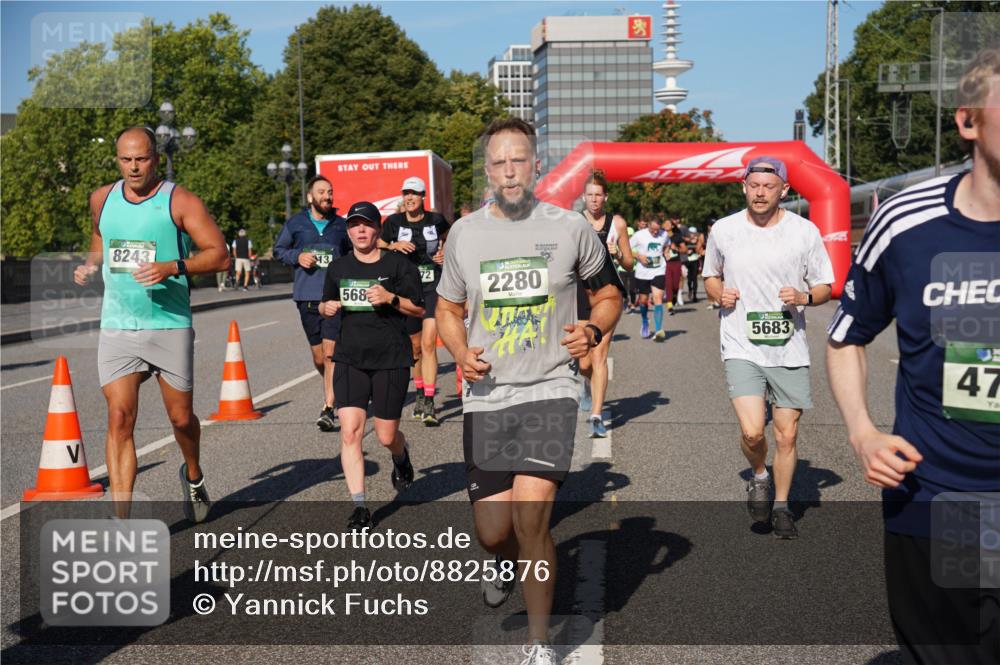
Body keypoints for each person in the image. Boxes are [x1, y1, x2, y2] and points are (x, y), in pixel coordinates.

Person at [827, 48, 1000, 664]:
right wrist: (862, 434)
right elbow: (847, 337)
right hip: (938, 497)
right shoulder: (907, 222)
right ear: (968, 122)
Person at [436, 118, 622, 664]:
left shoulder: (570, 228)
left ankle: (538, 646)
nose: (509, 170)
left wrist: (591, 329)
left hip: (550, 388)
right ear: (488, 171)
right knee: (495, 531)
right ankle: (500, 559)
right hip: (488, 395)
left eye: (519, 159)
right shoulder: (465, 234)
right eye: (499, 161)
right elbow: (447, 308)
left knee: (532, 518)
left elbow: (609, 291)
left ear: (536, 166)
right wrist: (457, 350)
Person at [73, 126, 230, 522]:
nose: (133, 167)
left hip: (169, 323)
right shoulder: (102, 198)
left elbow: (220, 256)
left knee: (180, 418)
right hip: (118, 325)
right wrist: (92, 264)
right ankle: (121, 523)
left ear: (156, 158)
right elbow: (99, 236)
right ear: (117, 160)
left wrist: (172, 267)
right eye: (126, 160)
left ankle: (193, 474)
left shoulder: (180, 200)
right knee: (119, 418)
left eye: (141, 159)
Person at [702, 156, 834, 539]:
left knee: (786, 436)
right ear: (744, 186)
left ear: (784, 191)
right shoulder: (724, 230)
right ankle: (760, 473)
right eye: (754, 185)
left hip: (788, 347)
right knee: (752, 432)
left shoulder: (804, 232)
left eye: (768, 187)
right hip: (740, 343)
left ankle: (780, 504)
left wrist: (805, 296)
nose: (760, 193)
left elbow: (826, 285)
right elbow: (710, 275)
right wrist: (718, 293)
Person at [319, 201, 425, 529]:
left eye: (366, 225)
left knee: (384, 435)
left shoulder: (398, 265)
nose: (360, 230)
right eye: (354, 225)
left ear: (378, 229)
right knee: (350, 431)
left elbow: (419, 309)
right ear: (348, 231)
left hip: (390, 358)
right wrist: (326, 307)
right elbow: (325, 301)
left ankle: (400, 455)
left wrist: (391, 298)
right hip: (350, 357)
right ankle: (360, 506)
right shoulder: (338, 267)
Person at [274, 175, 350, 432]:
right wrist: (298, 256)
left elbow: (354, 255)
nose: (327, 196)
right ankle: (335, 386)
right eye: (321, 192)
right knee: (319, 357)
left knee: (331, 354)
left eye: (330, 191)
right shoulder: (296, 224)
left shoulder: (341, 225)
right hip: (306, 297)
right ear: (310, 197)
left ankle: (328, 408)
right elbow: (279, 250)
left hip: (334, 298)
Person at [378, 177, 451, 426]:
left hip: (432, 285)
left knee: (429, 343)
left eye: (414, 193)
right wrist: (393, 244)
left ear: (423, 197)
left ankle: (429, 401)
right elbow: (377, 242)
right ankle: (419, 393)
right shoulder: (394, 222)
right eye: (406, 193)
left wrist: (445, 252)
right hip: (406, 289)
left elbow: (452, 234)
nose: (409, 197)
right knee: (415, 348)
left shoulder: (436, 219)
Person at [576, 169, 633, 437]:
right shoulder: (573, 222)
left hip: (607, 294)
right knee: (583, 362)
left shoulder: (617, 223)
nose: (594, 200)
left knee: (599, 356)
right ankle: (586, 385)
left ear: (606, 197)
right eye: (590, 195)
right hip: (578, 294)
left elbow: (630, 263)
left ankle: (596, 416)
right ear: (583, 197)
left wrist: (618, 253)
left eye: (599, 195)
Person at [630, 215, 669, 340]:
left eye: (658, 229)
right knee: (643, 300)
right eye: (653, 230)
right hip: (643, 272)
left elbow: (667, 244)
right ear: (648, 225)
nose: (656, 232)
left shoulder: (664, 234)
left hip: (659, 270)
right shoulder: (639, 235)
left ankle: (658, 330)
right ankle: (645, 321)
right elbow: (626, 249)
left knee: (658, 297)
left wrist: (666, 253)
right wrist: (638, 256)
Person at [663, 219, 686, 315]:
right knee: (668, 284)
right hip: (665, 263)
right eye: (664, 223)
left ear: (672, 226)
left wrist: (675, 248)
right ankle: (669, 306)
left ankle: (675, 296)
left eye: (668, 223)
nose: (665, 224)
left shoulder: (677, 236)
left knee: (676, 285)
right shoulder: (660, 236)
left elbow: (684, 249)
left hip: (676, 263)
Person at [684, 225, 704, 303]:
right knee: (689, 279)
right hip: (687, 261)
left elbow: (700, 249)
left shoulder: (698, 241)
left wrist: (696, 251)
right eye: (690, 233)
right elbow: (682, 249)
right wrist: (687, 252)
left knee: (695, 279)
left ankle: (695, 295)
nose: (692, 234)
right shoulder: (686, 241)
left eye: (693, 233)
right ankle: (690, 290)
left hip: (695, 261)